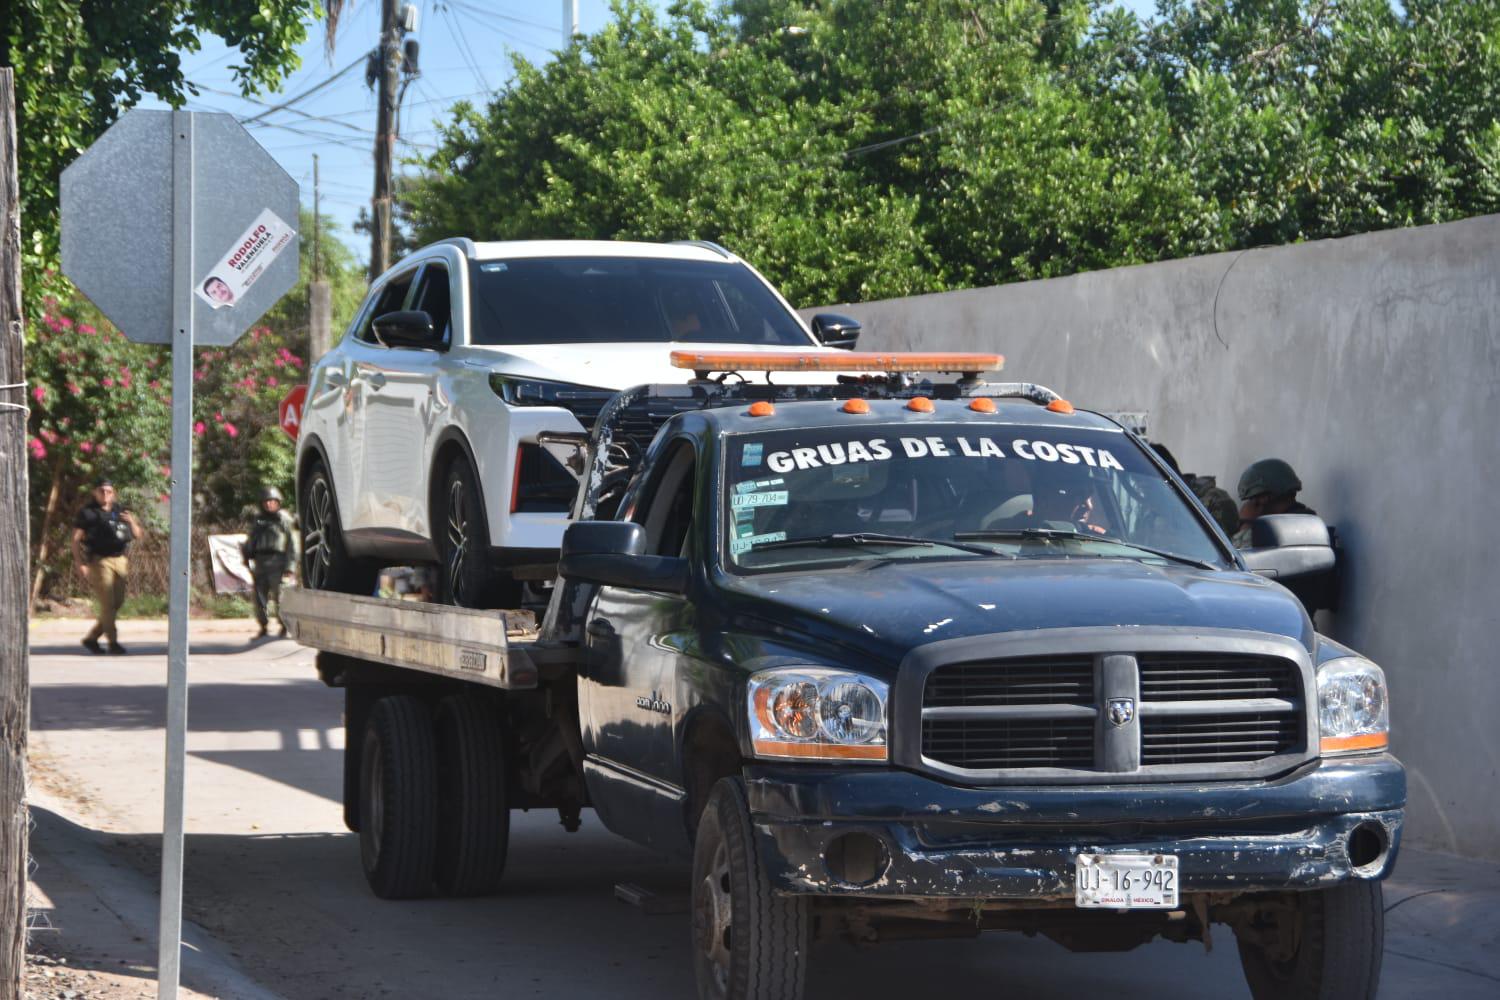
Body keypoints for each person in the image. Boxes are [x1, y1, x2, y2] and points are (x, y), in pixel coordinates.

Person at [72, 478, 143, 655]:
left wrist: (132, 521)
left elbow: (138, 535)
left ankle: (92, 638)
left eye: (109, 491)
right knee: (108, 604)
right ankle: (113, 642)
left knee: (117, 602)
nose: (105, 494)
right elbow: (75, 540)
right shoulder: (87, 513)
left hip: (120, 560)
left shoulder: (120, 511)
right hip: (99, 561)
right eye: (101, 491)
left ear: (114, 493)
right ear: (95, 493)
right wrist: (80, 563)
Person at [242, 486, 298, 639]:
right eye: (266, 502)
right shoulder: (258, 520)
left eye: (273, 502)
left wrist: (290, 566)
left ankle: (284, 627)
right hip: (260, 562)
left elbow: (292, 544)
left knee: (280, 596)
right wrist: (247, 554)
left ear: (278, 502)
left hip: (278, 561)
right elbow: (252, 539)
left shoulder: (284, 519)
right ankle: (263, 626)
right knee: (259, 597)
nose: (269, 505)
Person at [1150, 442, 1239, 537]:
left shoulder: (1214, 500)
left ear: (1167, 474)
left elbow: (1219, 546)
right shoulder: (1149, 507)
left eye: (1148, 483)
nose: (1144, 491)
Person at [1232, 457, 1316, 548]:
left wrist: (1246, 523)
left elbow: (1238, 558)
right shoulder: (1310, 521)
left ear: (1263, 498)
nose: (1250, 503)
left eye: (1252, 498)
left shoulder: (1274, 532)